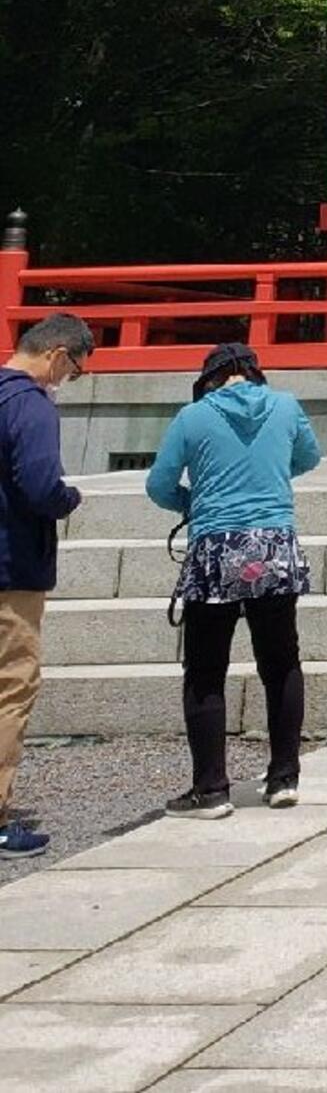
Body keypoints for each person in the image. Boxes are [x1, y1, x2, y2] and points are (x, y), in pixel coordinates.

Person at [145, 343, 320, 818]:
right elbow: (309, 457)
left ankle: (212, 789)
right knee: (282, 661)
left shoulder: (193, 417)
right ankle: (284, 777)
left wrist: (194, 502)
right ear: (252, 374)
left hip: (216, 547)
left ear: (210, 380)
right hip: (274, 545)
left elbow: (158, 484)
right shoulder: (286, 406)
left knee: (205, 668)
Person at [0, 313, 94, 857]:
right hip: (11, 564)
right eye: (75, 369)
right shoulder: (29, 404)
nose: (69, 378)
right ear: (58, 355)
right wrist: (68, 499)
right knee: (11, 683)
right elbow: (39, 484)